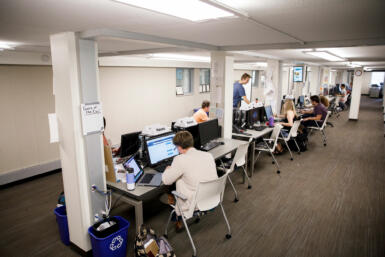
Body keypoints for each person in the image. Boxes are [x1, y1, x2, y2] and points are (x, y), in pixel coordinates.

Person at [162, 131, 218, 231]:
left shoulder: (179, 159)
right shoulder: (208, 155)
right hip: (212, 197)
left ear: (179, 147)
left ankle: (177, 219)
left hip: (194, 204)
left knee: (170, 185)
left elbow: (166, 180)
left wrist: (167, 169)